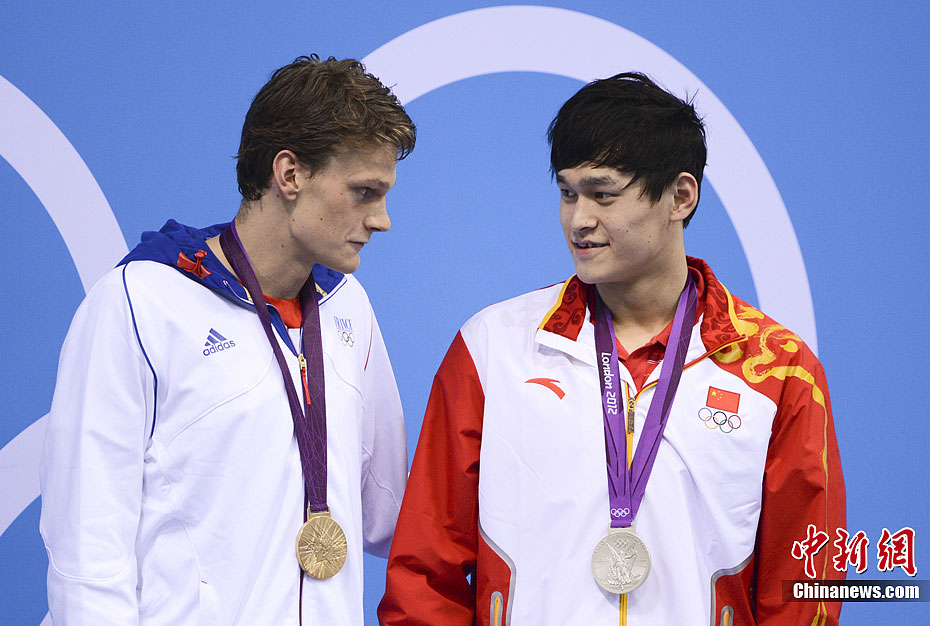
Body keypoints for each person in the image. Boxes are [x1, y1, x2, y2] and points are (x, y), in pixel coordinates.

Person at [379, 73, 845, 625]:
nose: (579, 220)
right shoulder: (491, 350)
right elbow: (425, 574)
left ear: (680, 196)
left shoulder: (779, 370)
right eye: (567, 193)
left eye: (603, 194)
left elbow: (804, 591)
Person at [40, 55, 415, 625]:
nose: (382, 219)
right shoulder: (142, 303)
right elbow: (86, 559)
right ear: (289, 175)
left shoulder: (349, 309)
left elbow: (389, 510)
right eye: (364, 191)